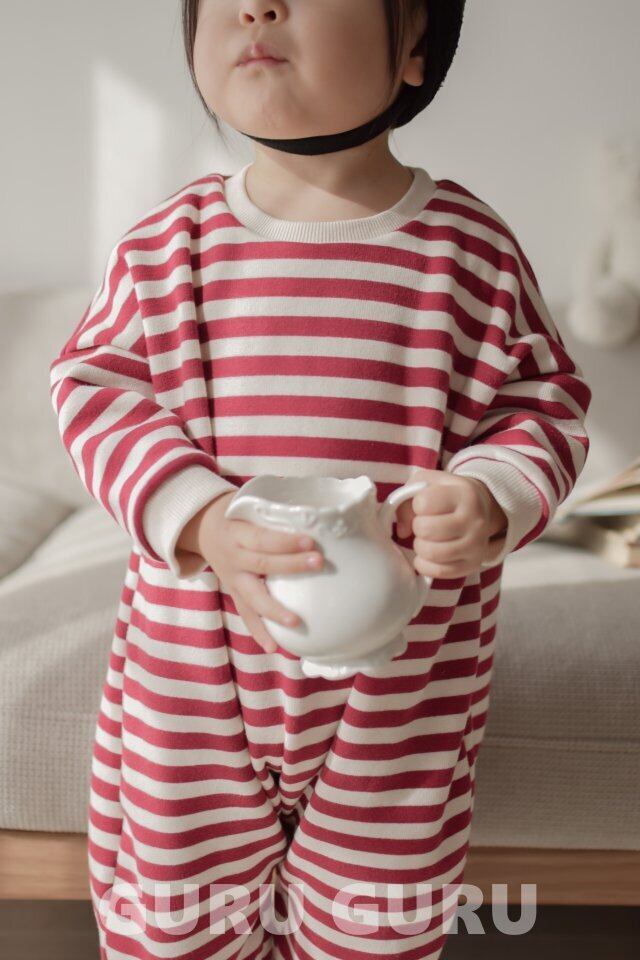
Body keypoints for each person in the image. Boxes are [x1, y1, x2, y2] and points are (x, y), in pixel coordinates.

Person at [49, 2, 592, 958]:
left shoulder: (473, 253)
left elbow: (544, 404)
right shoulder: (167, 246)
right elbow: (95, 392)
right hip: (194, 682)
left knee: (376, 924)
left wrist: (492, 496)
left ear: (414, 42)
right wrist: (198, 517)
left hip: (406, 685)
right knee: (175, 924)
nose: (256, 8)